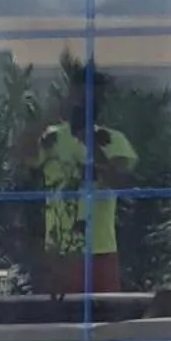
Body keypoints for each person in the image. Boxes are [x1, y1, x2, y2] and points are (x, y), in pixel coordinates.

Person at [34, 100, 138, 297]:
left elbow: (121, 183)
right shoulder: (50, 138)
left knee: (106, 316)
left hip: (100, 247)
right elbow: (21, 163)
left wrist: (91, 143)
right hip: (61, 249)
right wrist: (41, 124)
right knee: (61, 320)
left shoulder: (113, 140)